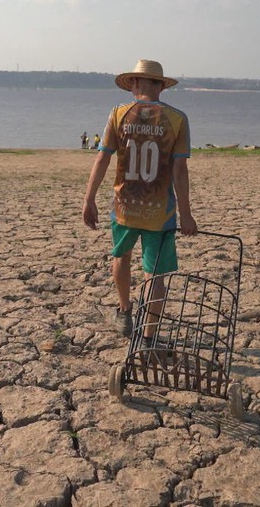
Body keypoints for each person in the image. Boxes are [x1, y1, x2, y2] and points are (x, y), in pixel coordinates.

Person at [82, 59, 197, 337]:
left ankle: (124, 311)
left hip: (124, 207)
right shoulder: (177, 119)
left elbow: (102, 158)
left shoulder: (118, 114)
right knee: (154, 274)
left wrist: (89, 199)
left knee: (121, 256)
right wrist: (186, 212)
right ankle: (148, 336)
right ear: (161, 86)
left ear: (134, 83)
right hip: (160, 211)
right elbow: (179, 169)